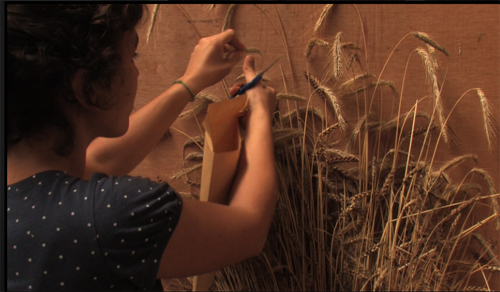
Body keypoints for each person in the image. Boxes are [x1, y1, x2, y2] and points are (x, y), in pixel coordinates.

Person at [6, 4, 278, 291]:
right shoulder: (114, 215)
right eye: (132, 55)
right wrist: (260, 113)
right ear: (88, 87)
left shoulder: (36, 198)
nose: (137, 72)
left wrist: (190, 82)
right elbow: (249, 229)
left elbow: (99, 162)